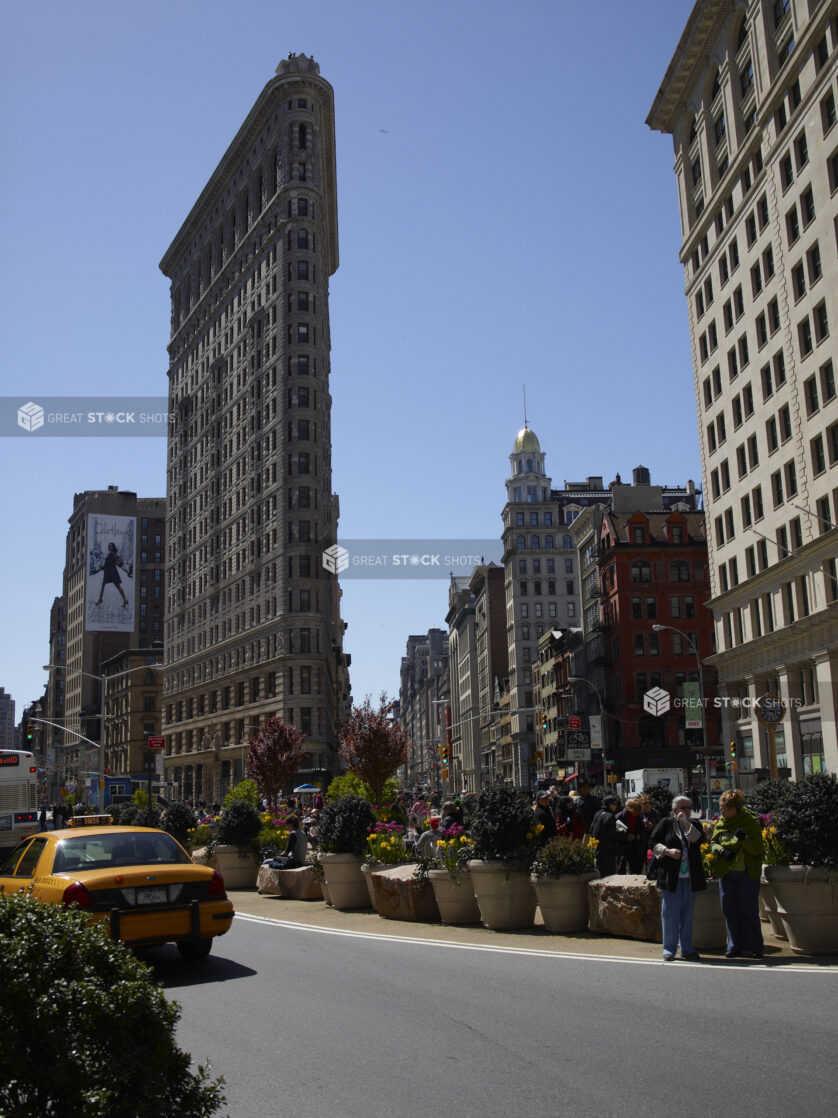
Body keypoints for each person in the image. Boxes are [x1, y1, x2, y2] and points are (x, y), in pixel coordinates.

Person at [649, 794, 707, 961]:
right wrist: (667, 851)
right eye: (683, 808)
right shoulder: (666, 823)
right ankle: (669, 949)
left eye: (689, 807)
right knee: (669, 913)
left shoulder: (693, 824)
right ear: (674, 810)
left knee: (687, 915)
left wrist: (686, 823)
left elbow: (698, 839)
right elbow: (652, 842)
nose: (686, 811)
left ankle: (687, 948)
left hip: (690, 876)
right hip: (671, 876)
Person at [710, 788, 766, 959]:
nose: (721, 811)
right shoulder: (721, 823)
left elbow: (757, 849)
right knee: (729, 910)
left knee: (748, 910)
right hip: (726, 873)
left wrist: (744, 839)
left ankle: (755, 946)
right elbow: (713, 842)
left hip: (746, 874)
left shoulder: (749, 822)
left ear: (735, 809)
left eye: (724, 808)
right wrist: (720, 851)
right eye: (721, 807)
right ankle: (734, 946)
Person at [590, 795, 625, 877]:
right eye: (614, 804)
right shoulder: (610, 816)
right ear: (610, 804)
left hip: (597, 848)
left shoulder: (598, 813)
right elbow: (612, 834)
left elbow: (592, 829)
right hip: (608, 850)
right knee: (609, 876)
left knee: (599, 873)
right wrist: (622, 832)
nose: (616, 806)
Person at [615, 798, 645, 875]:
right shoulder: (619, 817)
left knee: (636, 870)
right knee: (621, 869)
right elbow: (614, 833)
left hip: (635, 847)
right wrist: (626, 836)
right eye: (635, 812)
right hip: (622, 847)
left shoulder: (639, 817)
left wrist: (639, 836)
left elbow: (643, 832)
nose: (636, 814)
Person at [95, 542, 129, 608]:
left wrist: (117, 559)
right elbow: (106, 565)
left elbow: (119, 563)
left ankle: (125, 600)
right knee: (103, 585)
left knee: (118, 586)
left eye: (111, 546)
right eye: (109, 546)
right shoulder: (108, 555)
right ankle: (100, 599)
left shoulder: (114, 555)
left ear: (113, 547)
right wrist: (100, 569)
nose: (110, 547)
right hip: (107, 573)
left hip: (113, 573)